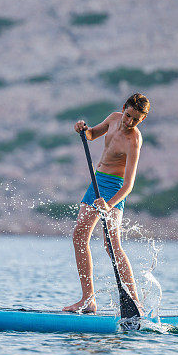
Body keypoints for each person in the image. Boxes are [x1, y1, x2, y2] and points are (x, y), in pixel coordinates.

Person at [63, 92, 150, 314]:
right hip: (96, 182)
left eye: (136, 119)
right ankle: (87, 300)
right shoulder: (113, 118)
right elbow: (91, 135)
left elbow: (129, 185)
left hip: (114, 188)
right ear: (124, 108)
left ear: (142, 120)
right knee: (79, 235)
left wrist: (109, 204)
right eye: (128, 115)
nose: (130, 122)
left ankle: (135, 300)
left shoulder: (134, 141)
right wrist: (83, 129)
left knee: (112, 245)